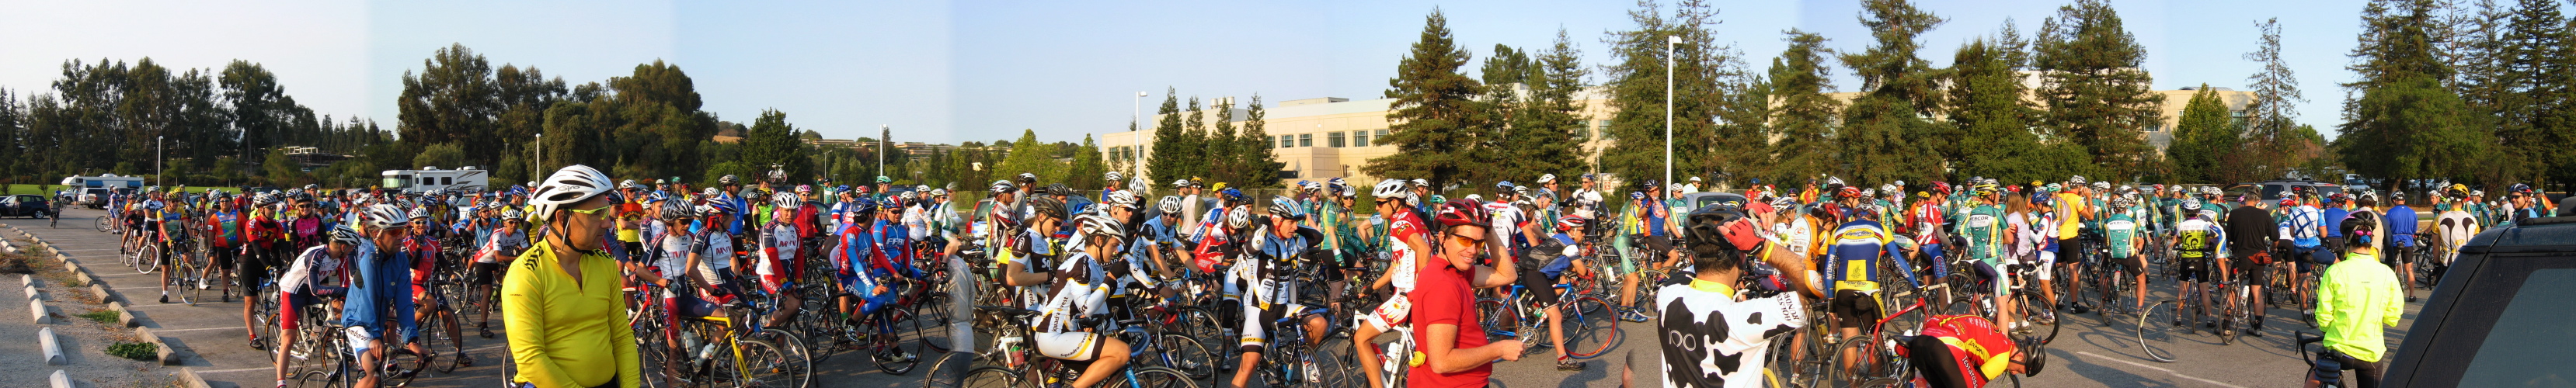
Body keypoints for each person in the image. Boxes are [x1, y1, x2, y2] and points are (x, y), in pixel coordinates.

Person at [502, 165, 642, 388]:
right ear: (563, 217)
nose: (607, 223)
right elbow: (530, 359)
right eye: (597, 214)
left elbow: (622, 337)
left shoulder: (605, 264)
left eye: (606, 213)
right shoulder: (526, 274)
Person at [1656, 206, 1809, 388]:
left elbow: (1698, 262)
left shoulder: (1668, 293)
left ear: (1691, 258)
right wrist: (1760, 246)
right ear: (1743, 258)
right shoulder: (1744, 318)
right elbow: (1813, 286)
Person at [1412, 199, 1527, 387]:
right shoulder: (1443, 284)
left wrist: (1488, 229)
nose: (1473, 250)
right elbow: (1442, 362)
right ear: (1442, 239)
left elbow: (1507, 274)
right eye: (1465, 240)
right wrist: (1499, 349)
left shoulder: (1453, 270)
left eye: (1479, 243)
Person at [2307, 216, 2404, 388]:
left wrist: (2326, 328)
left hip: (2338, 348)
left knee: (2313, 381)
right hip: (2370, 351)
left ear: (2346, 240)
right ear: (2371, 240)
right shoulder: (2386, 273)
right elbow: (2393, 317)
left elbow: (2323, 315)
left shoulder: (2335, 271)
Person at [272, 227, 357, 388]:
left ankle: (316, 335)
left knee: (338, 307)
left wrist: (349, 295)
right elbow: (316, 289)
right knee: (288, 339)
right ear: (343, 247)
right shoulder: (316, 255)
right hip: (293, 292)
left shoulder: (341, 256)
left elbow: (346, 280)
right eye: (352, 247)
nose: (352, 251)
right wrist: (342, 291)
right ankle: (281, 383)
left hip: (311, 290)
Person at [1899, 314, 2044, 388]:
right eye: (2019, 370)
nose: (2013, 373)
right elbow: (1976, 383)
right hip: (1945, 345)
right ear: (2019, 357)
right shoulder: (2002, 359)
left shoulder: (1999, 336)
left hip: (1926, 336)